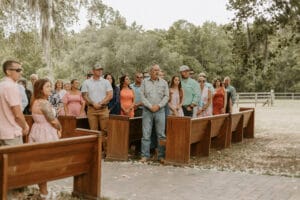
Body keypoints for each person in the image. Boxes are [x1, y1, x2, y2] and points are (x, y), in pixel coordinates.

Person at [29, 78, 62, 198]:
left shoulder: (36, 101)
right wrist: (59, 128)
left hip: (38, 130)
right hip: (45, 132)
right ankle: (44, 193)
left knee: (41, 162)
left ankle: (44, 190)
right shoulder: (43, 103)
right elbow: (53, 121)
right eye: (48, 86)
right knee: (44, 163)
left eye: (50, 86)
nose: (51, 89)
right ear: (40, 89)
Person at [140, 64, 169, 163]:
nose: (157, 72)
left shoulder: (164, 83)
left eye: (158, 70)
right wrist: (150, 106)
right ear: (150, 72)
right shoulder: (144, 82)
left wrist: (159, 106)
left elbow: (166, 96)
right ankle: (145, 156)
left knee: (161, 134)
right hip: (147, 111)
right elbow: (142, 96)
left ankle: (161, 156)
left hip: (160, 111)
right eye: (155, 70)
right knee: (146, 134)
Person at [0, 60, 29, 146]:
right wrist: (25, 126)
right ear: (8, 71)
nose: (21, 73)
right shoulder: (12, 87)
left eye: (21, 70)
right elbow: (17, 114)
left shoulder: (1, 85)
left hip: (2, 132)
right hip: (12, 133)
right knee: (16, 159)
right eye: (18, 70)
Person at [81, 64, 113, 133]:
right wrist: (93, 103)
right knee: (93, 131)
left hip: (103, 109)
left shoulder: (106, 82)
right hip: (91, 110)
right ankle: (95, 144)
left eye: (101, 69)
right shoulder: (86, 82)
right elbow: (84, 95)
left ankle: (104, 144)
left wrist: (101, 103)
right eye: (98, 70)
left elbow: (110, 95)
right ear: (93, 71)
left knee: (105, 130)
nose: (100, 71)